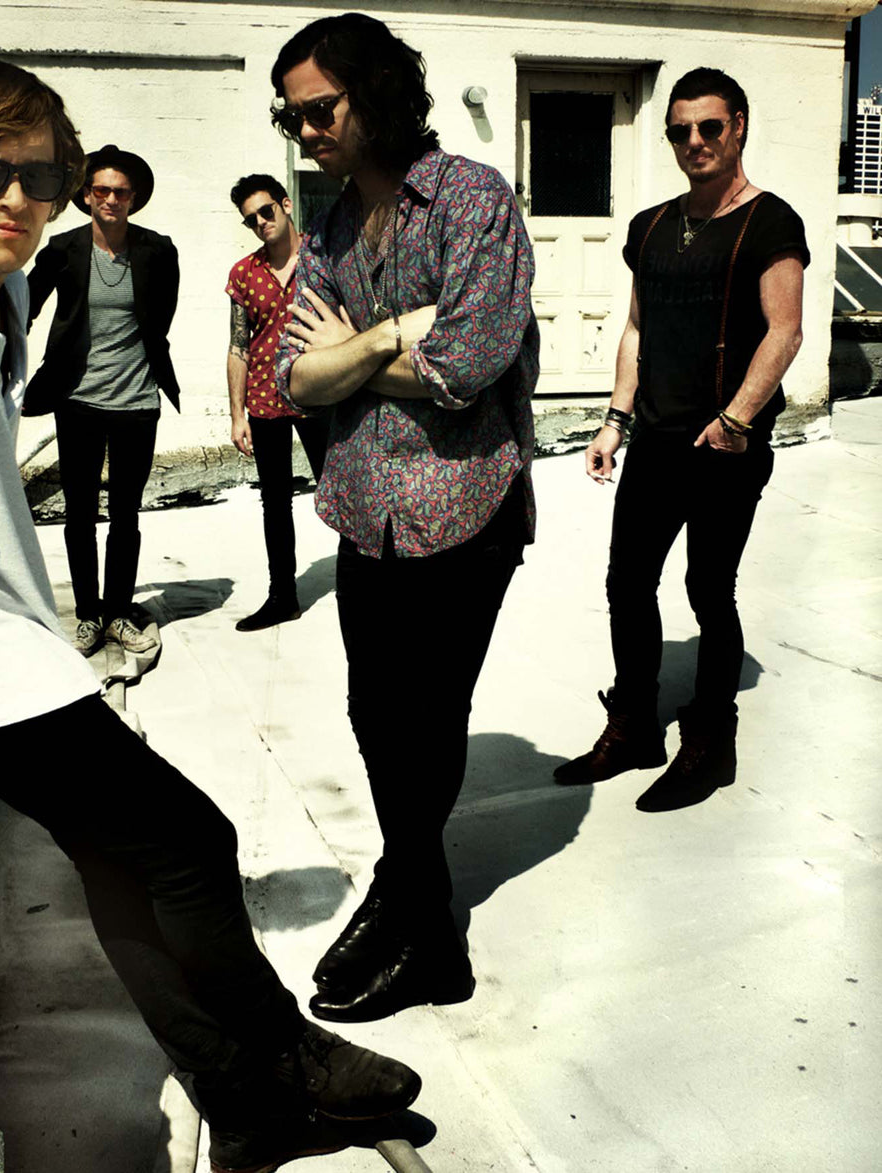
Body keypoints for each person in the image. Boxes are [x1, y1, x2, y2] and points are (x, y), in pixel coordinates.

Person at [0, 60, 421, 1172]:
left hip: (0, 652)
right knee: (192, 843)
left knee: (122, 867)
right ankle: (286, 1060)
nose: (14, 198)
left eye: (36, 176)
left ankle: (244, 1110)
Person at [270, 14, 538, 1024]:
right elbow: (297, 376)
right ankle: (410, 893)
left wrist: (355, 359)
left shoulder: (471, 199)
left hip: (466, 512)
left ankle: (427, 933)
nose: (304, 132)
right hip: (363, 509)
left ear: (376, 92)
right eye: (292, 117)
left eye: (321, 110)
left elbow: (468, 367)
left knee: (425, 723)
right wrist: (388, 335)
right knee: (375, 716)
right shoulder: (332, 225)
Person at [555, 68, 806, 812]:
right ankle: (634, 725)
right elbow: (638, 329)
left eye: (709, 127)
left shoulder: (770, 222)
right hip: (658, 438)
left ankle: (711, 739)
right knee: (627, 582)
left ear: (738, 128)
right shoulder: (652, 227)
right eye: (679, 131)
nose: (694, 141)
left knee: (707, 588)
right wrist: (614, 420)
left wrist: (736, 419)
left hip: (727, 444)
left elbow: (785, 331)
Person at [24, 143, 179, 657]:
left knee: (127, 515)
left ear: (134, 198)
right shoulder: (63, 251)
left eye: (121, 192)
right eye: (102, 190)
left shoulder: (158, 252)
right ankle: (89, 614)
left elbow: (160, 322)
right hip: (79, 400)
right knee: (80, 513)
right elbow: (20, 309)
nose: (111, 199)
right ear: (87, 196)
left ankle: (118, 613)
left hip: (137, 400)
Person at [225, 174, 331, 631]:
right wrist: (236, 415)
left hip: (321, 394)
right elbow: (237, 346)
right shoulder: (244, 274)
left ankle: (362, 583)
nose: (261, 222)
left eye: (266, 211)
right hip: (265, 402)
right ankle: (282, 595)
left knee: (342, 491)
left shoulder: (325, 258)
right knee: (275, 502)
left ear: (286, 205)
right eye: (251, 219)